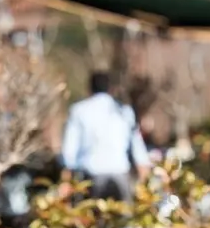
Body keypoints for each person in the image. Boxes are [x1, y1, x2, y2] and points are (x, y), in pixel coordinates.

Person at [60, 72, 151, 201]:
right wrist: (143, 172)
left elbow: (69, 150)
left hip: (90, 175)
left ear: (89, 88)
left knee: (89, 218)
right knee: (123, 218)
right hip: (120, 174)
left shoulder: (79, 110)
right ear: (110, 89)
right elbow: (137, 146)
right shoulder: (124, 111)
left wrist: (67, 178)